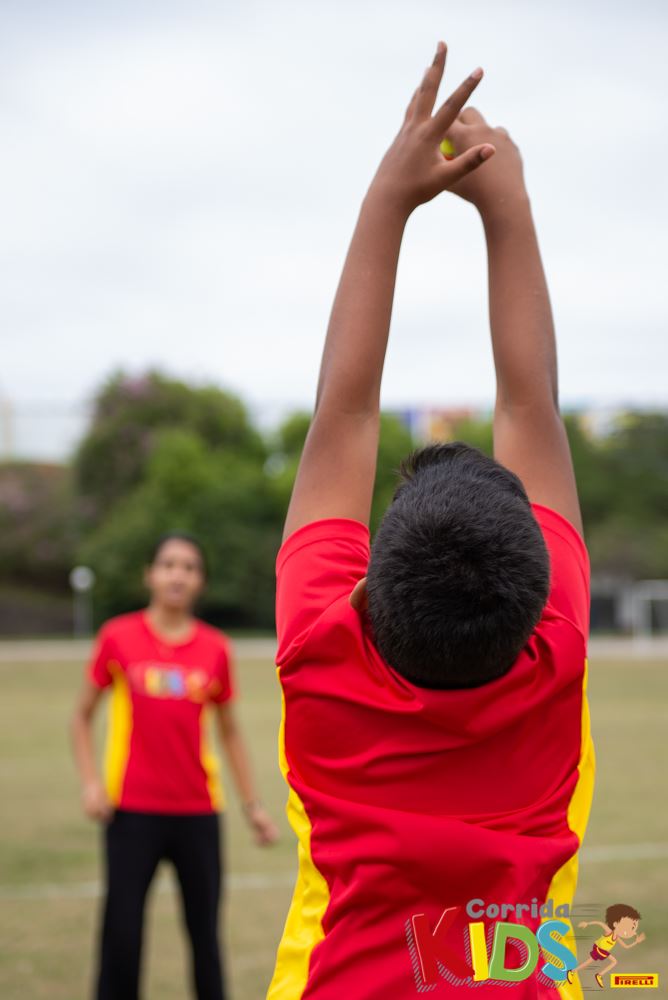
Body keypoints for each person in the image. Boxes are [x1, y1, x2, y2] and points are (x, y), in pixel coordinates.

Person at [267, 40, 594, 999]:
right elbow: (530, 407)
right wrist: (511, 209)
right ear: (540, 599)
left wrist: (389, 201)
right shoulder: (558, 659)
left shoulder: (323, 665)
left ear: (365, 591)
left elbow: (343, 412)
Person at [70, 530, 280, 1000]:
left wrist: (253, 805)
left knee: (205, 938)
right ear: (149, 575)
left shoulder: (215, 648)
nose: (177, 575)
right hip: (130, 813)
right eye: (168, 564)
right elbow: (81, 719)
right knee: (121, 936)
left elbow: (228, 731)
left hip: (198, 812)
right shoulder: (117, 637)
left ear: (200, 581)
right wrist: (90, 784)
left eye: (189, 567)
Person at [573, 905, 645, 989]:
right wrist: (587, 923)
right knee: (610, 961)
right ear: (615, 924)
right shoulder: (609, 932)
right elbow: (600, 923)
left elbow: (626, 946)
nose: (630, 931)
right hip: (599, 949)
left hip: (603, 951)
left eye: (632, 928)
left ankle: (576, 972)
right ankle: (596, 975)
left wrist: (636, 942)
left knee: (593, 962)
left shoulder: (617, 937)